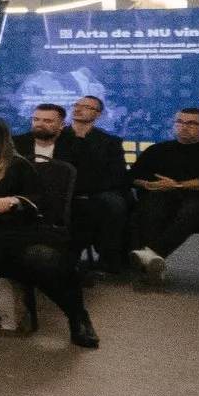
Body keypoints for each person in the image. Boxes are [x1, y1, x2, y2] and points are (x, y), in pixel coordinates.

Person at [0, 113, 97, 348]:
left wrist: (10, 202)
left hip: (11, 232)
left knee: (45, 258)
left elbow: (39, 201)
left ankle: (77, 317)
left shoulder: (16, 164)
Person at [129, 106, 199, 283]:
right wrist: (148, 184)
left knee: (193, 208)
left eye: (192, 123)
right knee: (150, 205)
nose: (184, 126)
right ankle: (152, 263)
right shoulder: (158, 149)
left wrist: (178, 185)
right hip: (161, 195)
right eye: (180, 122)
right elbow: (133, 176)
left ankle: (150, 256)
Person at [56, 95, 132, 278]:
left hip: (98, 189)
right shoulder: (58, 137)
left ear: (98, 115)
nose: (79, 109)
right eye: (77, 105)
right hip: (62, 189)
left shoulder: (109, 142)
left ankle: (109, 258)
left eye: (87, 107)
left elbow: (116, 174)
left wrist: (87, 190)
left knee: (113, 204)